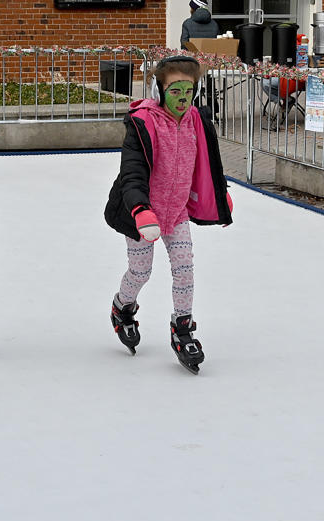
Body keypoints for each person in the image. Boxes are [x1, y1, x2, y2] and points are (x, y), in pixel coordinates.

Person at [104, 55, 233, 374]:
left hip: (175, 214)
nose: (182, 98)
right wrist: (139, 209)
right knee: (140, 272)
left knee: (185, 268)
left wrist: (219, 193)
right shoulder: (143, 122)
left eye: (188, 90)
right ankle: (122, 307)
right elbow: (132, 172)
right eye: (175, 90)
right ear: (159, 90)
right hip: (142, 214)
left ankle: (183, 328)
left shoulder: (196, 121)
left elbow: (208, 162)